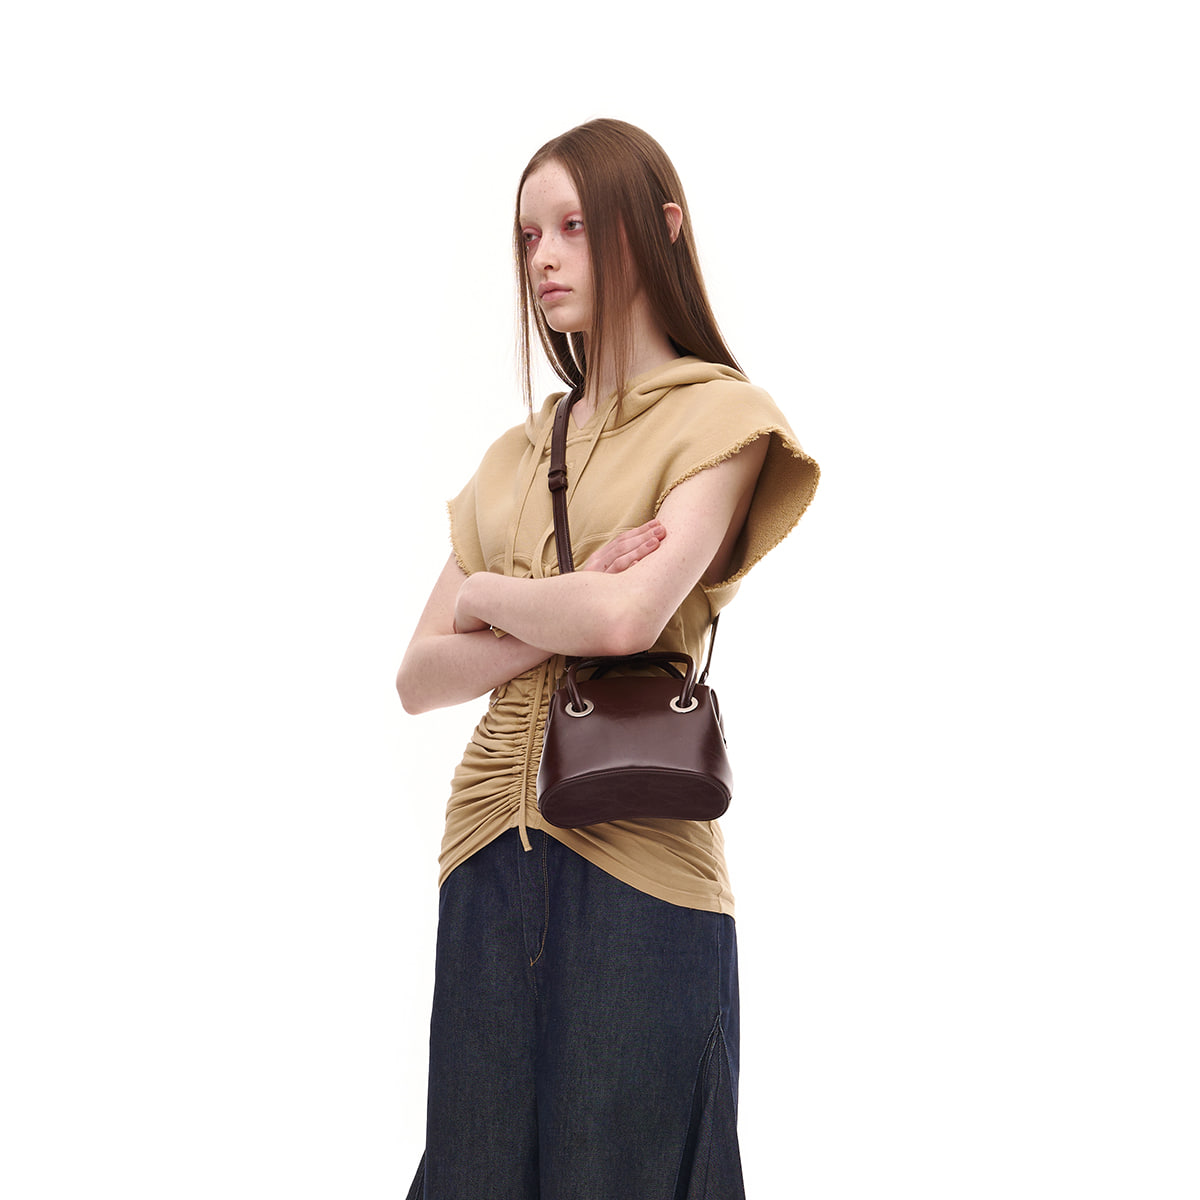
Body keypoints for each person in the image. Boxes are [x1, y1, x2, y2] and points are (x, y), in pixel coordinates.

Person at [396, 118, 819, 1199]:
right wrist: (553, 601)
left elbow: (629, 618)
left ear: (661, 227)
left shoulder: (721, 419)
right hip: (485, 851)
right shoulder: (513, 457)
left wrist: (489, 600)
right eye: (529, 234)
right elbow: (417, 677)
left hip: (640, 859)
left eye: (574, 226)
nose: (542, 257)